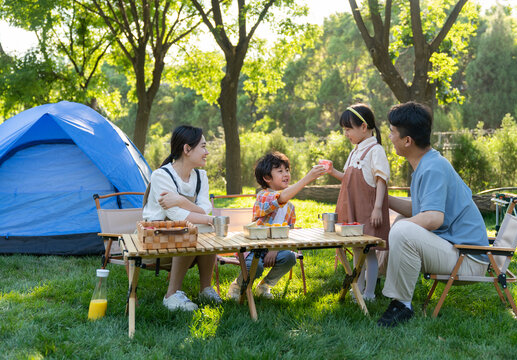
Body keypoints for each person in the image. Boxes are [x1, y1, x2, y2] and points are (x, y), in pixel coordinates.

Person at [377, 102, 489, 327]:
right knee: (401, 222)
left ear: (407, 141)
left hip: (468, 259)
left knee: (403, 229)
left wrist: (400, 228)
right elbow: (421, 210)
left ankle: (402, 305)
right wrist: (382, 199)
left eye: (392, 132)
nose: (389, 137)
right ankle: (377, 283)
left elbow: (433, 218)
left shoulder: (433, 167)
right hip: (455, 251)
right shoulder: (426, 163)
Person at [143, 125, 222, 311]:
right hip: (154, 236)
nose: (207, 152)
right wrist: (206, 218)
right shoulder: (161, 175)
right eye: (202, 147)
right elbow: (176, 215)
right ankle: (171, 295)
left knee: (203, 229)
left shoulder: (201, 176)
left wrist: (180, 200)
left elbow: (204, 209)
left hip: (183, 233)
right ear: (187, 149)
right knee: (190, 229)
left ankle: (205, 288)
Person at [228, 152, 326, 300]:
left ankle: (265, 285)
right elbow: (280, 198)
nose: (286, 174)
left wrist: (276, 248)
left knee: (289, 257)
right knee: (257, 266)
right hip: (255, 248)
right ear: (267, 178)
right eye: (280, 171)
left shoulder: (290, 207)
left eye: (287, 170)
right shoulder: (263, 196)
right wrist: (308, 178)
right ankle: (238, 285)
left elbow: (288, 233)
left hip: (276, 248)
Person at [324, 104, 390, 301]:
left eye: (348, 129)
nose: (346, 134)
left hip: (368, 209)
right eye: (344, 130)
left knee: (368, 252)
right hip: (353, 208)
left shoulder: (375, 150)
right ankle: (358, 288)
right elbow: (348, 178)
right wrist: (332, 171)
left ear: (363, 127)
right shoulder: (355, 152)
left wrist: (378, 207)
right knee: (356, 249)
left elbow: (381, 180)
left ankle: (369, 293)